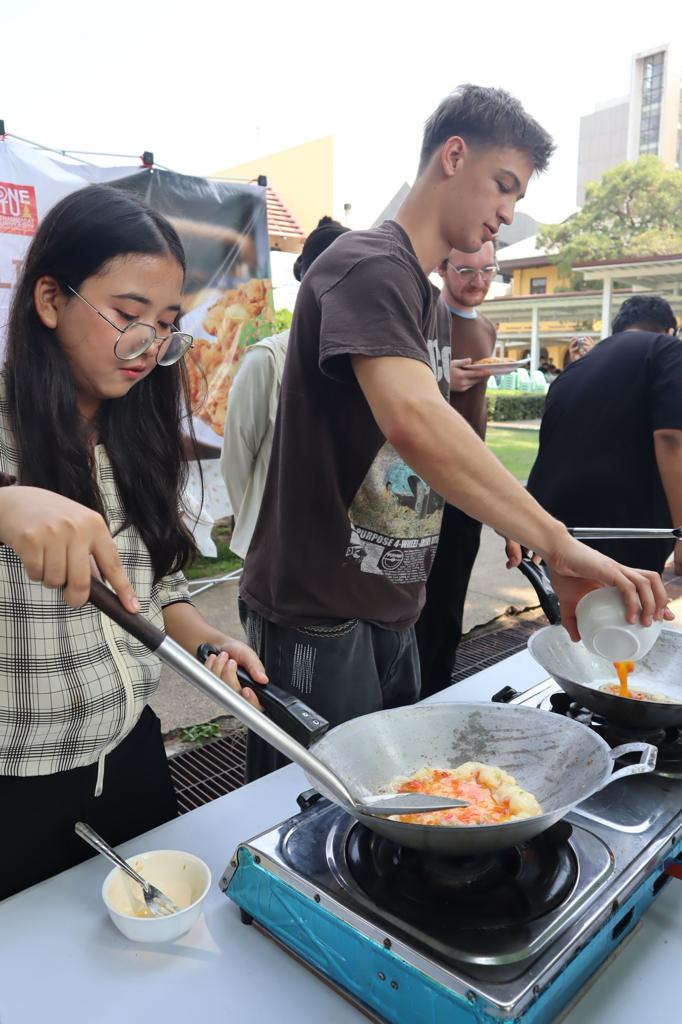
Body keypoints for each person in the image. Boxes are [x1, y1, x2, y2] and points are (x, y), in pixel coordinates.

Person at [238, 85, 671, 780]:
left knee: (396, 792)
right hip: (318, 605)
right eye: (504, 184)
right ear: (454, 155)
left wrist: (516, 522)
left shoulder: (429, 303)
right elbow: (413, 421)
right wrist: (557, 539)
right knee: (317, 806)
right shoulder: (366, 264)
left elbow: (435, 449)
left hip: (393, 599)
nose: (508, 212)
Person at [0, 185, 266, 899]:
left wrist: (208, 642)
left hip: (132, 755)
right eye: (126, 315)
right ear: (50, 299)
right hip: (16, 785)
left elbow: (157, 587)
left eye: (166, 324)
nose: (149, 346)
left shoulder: (136, 433)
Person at [521, 295, 682, 576]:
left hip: (554, 529)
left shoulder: (575, 369)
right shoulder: (669, 349)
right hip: (622, 530)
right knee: (627, 603)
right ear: (670, 330)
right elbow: (672, 438)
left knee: (580, 605)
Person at [220, 216, 349, 558]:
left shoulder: (362, 365)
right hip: (276, 556)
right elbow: (235, 464)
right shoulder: (268, 360)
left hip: (338, 555)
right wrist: (263, 535)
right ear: (309, 282)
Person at [415, 241, 500, 695]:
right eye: (467, 270)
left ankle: (438, 689)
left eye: (488, 270)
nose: (478, 281)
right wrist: (444, 380)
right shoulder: (423, 315)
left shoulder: (487, 328)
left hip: (466, 486)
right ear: (443, 268)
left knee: (450, 597)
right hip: (415, 482)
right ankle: (402, 693)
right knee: (409, 598)